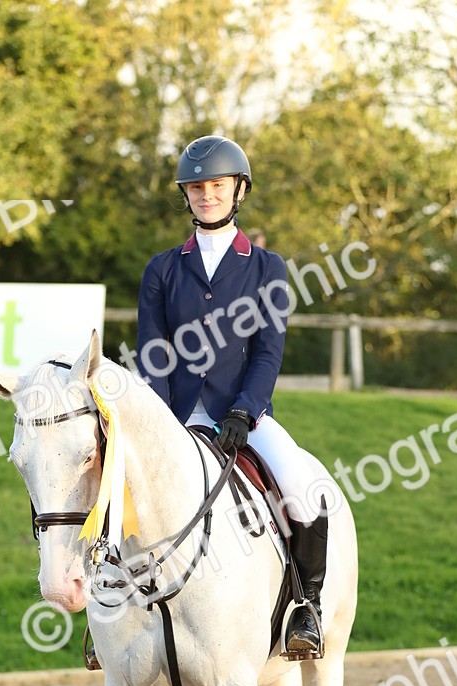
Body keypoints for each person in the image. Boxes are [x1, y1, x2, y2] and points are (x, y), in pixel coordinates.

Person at [135, 135, 328, 657]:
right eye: (196, 187)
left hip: (243, 413)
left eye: (217, 185)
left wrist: (246, 408)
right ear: (187, 195)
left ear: (239, 190)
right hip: (172, 418)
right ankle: (111, 618)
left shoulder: (268, 268)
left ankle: (304, 608)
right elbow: (152, 354)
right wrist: (155, 422)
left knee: (301, 484)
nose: (206, 195)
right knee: (112, 488)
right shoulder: (163, 269)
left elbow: (268, 350)